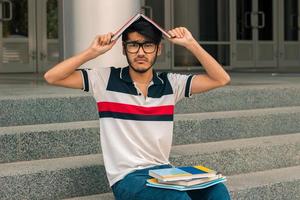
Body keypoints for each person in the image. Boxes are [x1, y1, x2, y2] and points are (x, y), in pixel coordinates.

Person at [44, 18, 231, 200]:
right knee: (176, 198)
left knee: (216, 190)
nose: (141, 52)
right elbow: (52, 77)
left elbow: (221, 79)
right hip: (127, 178)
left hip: (163, 171)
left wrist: (191, 44)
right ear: (124, 49)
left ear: (158, 49)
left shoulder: (171, 84)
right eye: (133, 45)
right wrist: (91, 52)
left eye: (148, 45)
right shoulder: (104, 80)